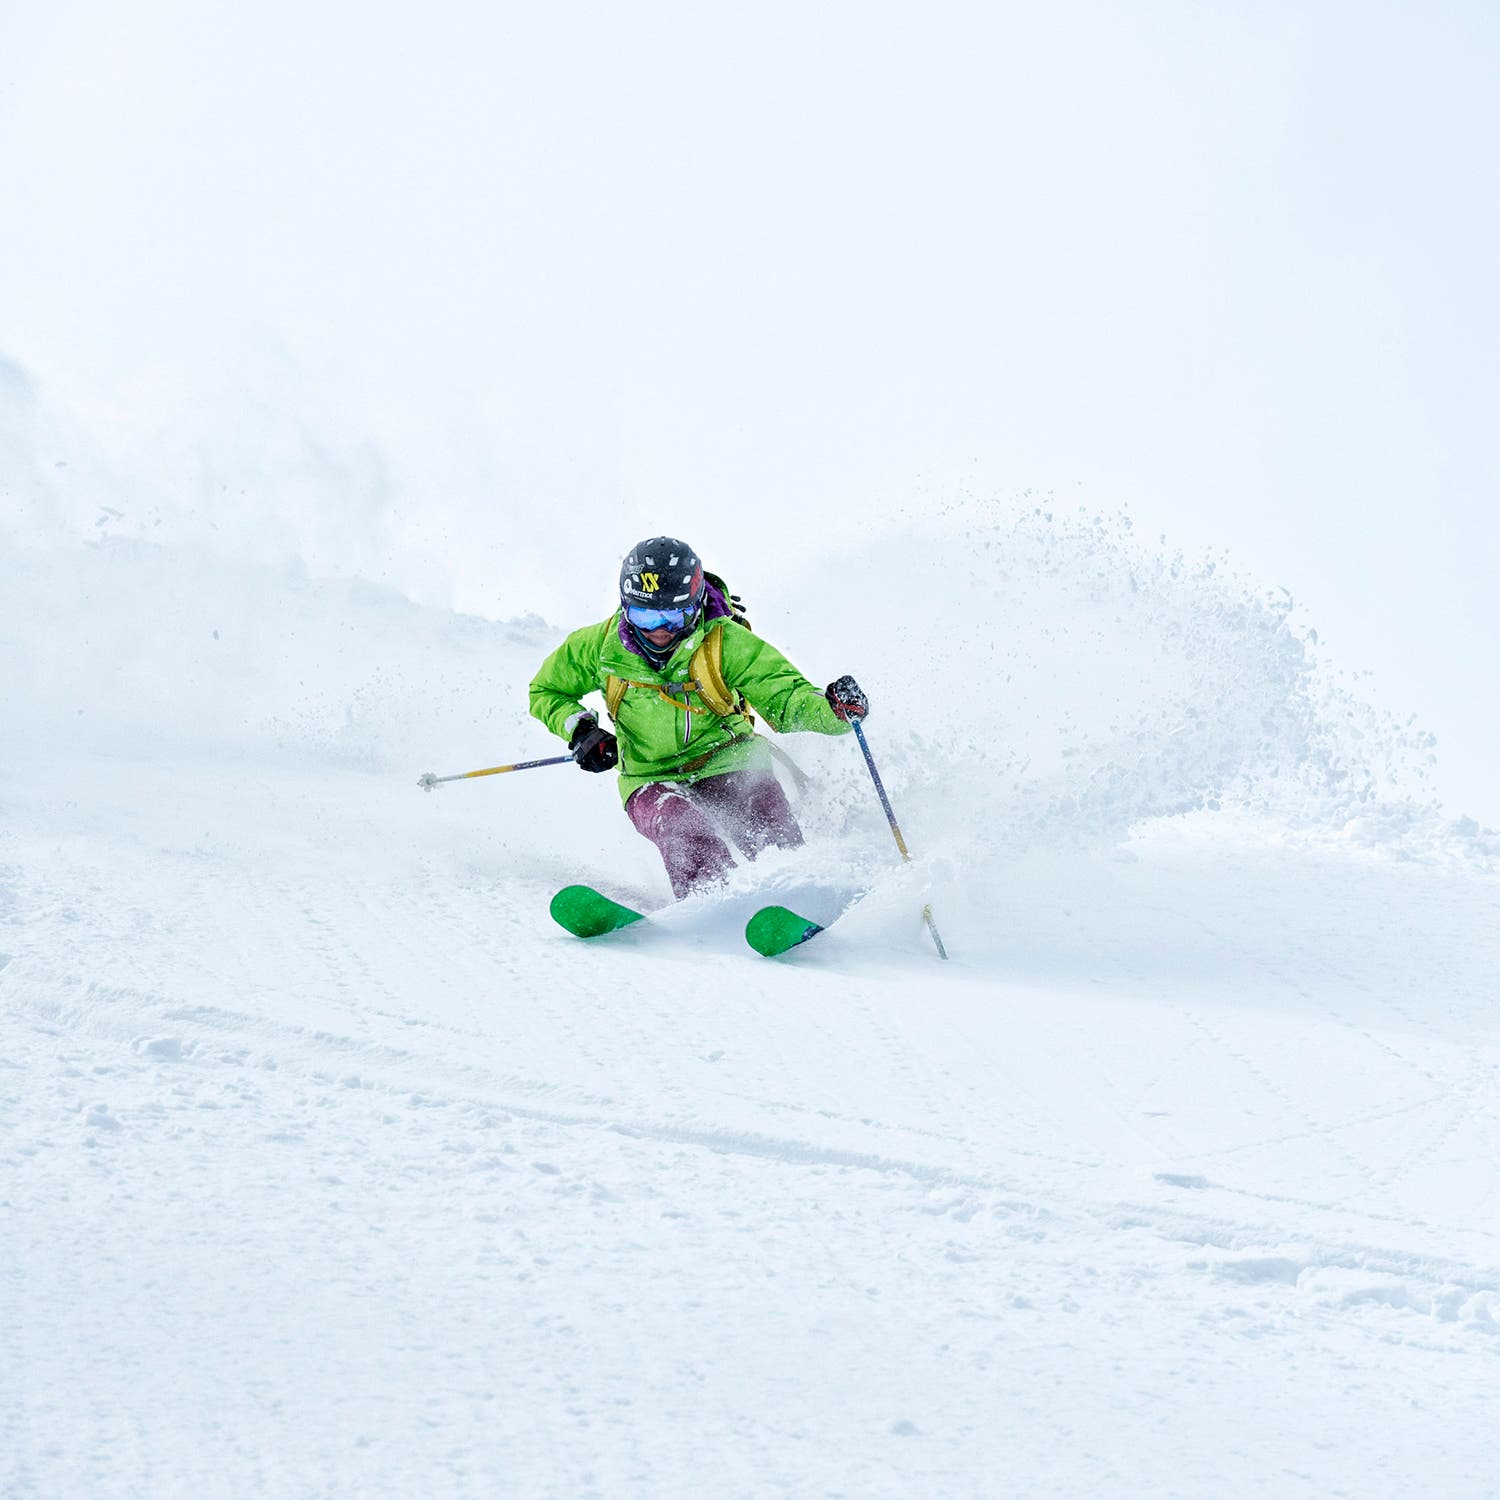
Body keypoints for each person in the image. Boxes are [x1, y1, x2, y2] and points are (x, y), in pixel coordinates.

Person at [529, 536, 868, 898]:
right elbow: (546, 691)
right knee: (679, 824)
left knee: (764, 820)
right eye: (645, 615)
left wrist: (833, 711)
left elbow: (787, 698)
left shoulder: (727, 642)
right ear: (625, 607)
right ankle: (712, 904)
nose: (659, 630)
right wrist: (581, 730)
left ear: (695, 606)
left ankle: (801, 895)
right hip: (649, 776)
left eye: (674, 616)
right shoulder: (598, 647)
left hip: (727, 757)